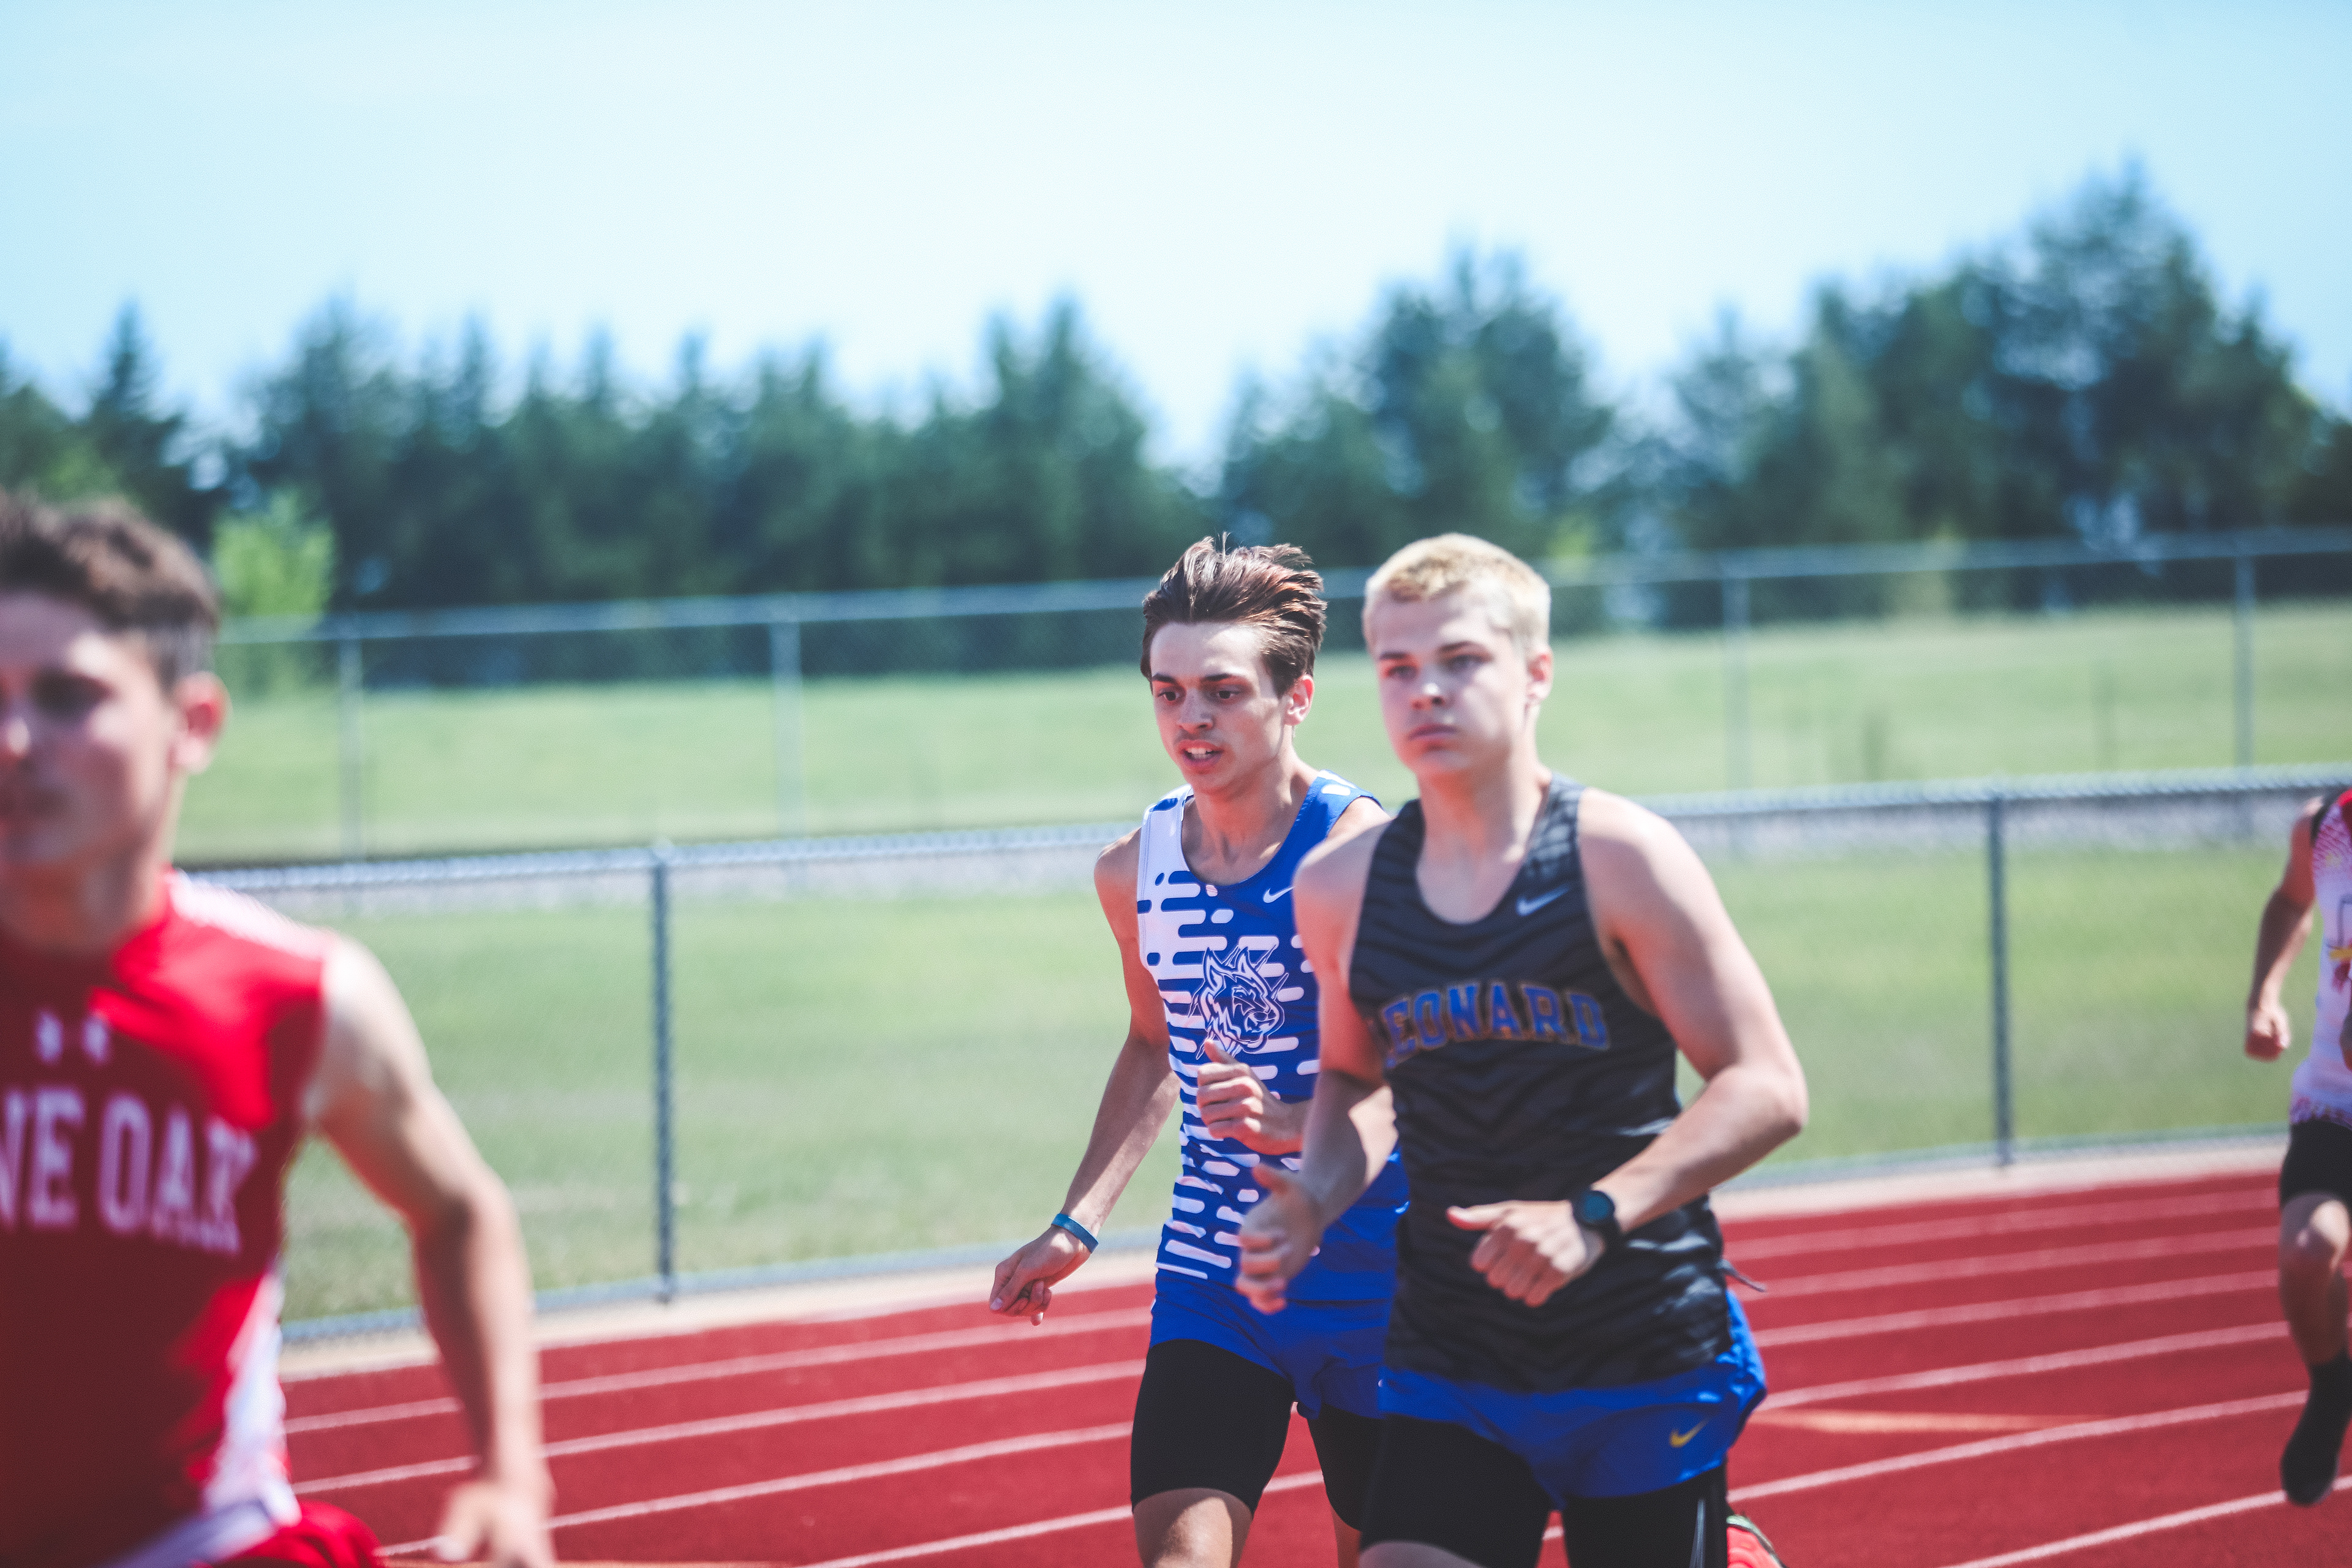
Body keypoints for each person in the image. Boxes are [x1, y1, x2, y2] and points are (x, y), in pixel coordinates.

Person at [0, 494, 554, 1568]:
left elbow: (458, 1211)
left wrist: (508, 1471)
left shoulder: (300, 996)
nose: (13, 742)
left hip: (200, 1546)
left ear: (192, 725)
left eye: (68, 697)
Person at [1235, 534, 1807, 1568]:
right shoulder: (1341, 888)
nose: (1426, 692)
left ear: (1536, 672)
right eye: (1399, 668)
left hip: (1639, 1347)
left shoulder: (1621, 858)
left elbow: (1767, 1084)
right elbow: (1357, 1077)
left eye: (1461, 661)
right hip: (1452, 1353)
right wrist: (1312, 1196)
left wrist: (1594, 1215)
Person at [989, 538, 1408, 1568]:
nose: (1191, 720)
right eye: (1168, 693)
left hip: (1386, 1279)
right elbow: (1151, 1045)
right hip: (1219, 1279)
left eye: (1223, 692)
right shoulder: (1134, 871)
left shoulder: (1360, 855)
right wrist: (1078, 1222)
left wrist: (1293, 1125)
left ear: (1296, 698)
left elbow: (1431, 1068)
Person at [2245, 785, 2352, 1506]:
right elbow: (2291, 901)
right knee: (2308, 1251)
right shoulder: (2325, 829)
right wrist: (2264, 994)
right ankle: (2333, 1384)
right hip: (2334, 1102)